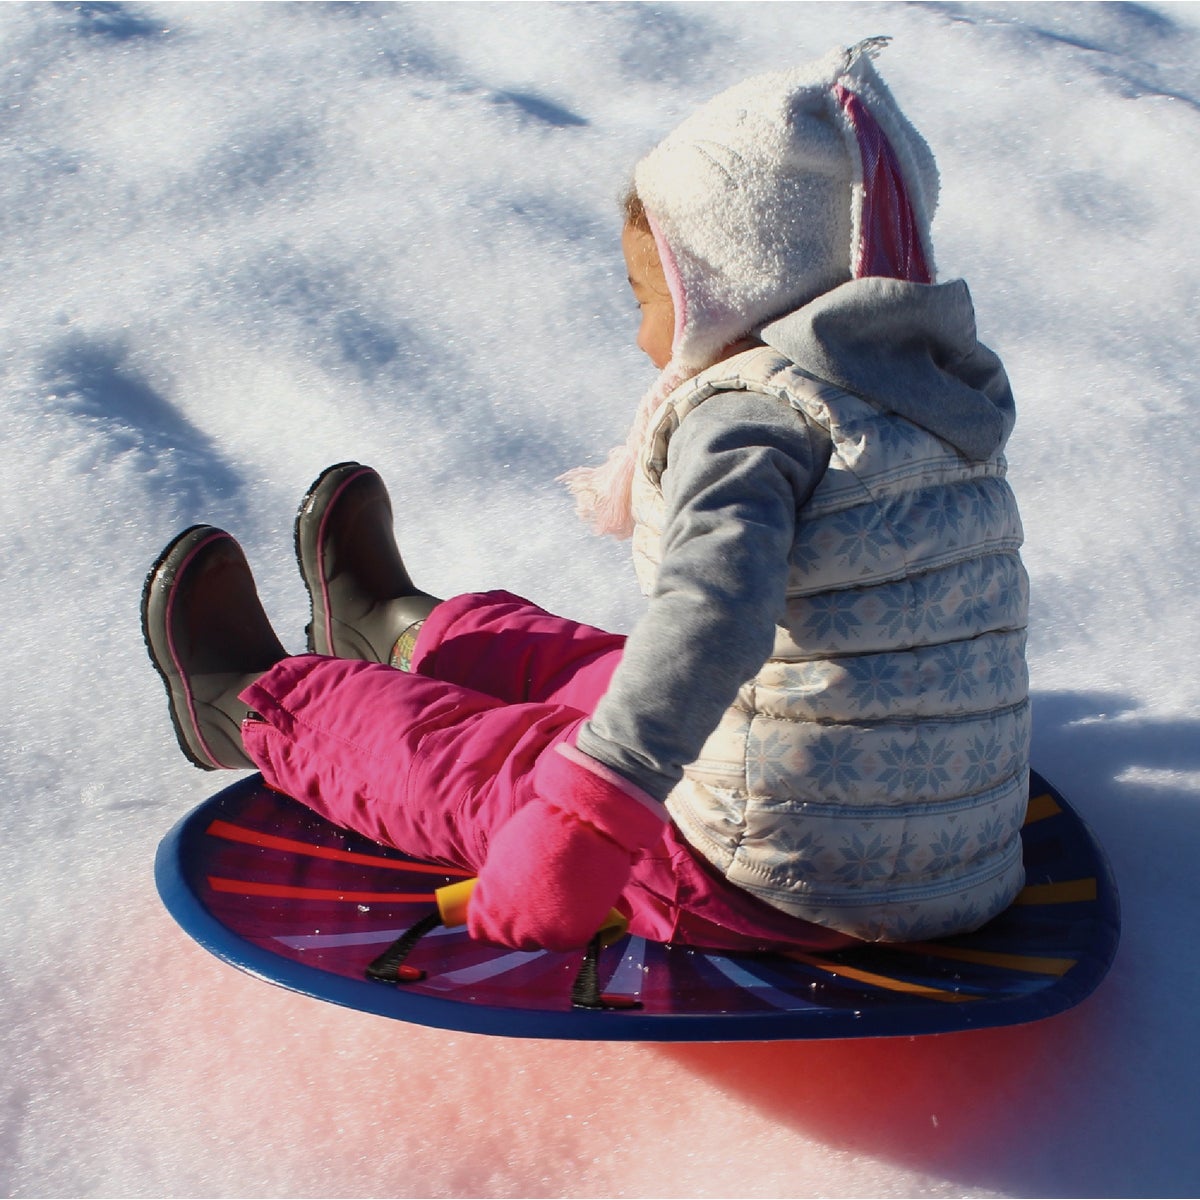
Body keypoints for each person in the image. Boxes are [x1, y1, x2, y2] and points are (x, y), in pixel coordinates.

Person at [142, 39, 1030, 955]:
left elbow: (713, 615)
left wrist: (587, 821)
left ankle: (254, 703)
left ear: (738, 288)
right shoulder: (936, 404)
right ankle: (413, 632)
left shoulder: (753, 421)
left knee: (490, 766)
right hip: (956, 855)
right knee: (620, 671)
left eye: (652, 297)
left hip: (761, 876)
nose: (647, 335)